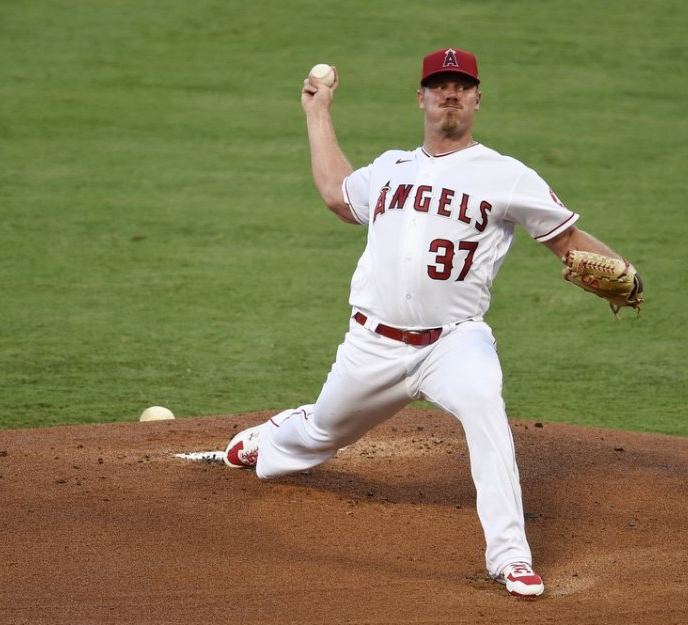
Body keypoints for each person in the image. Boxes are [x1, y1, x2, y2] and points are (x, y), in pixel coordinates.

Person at [224, 47, 636, 597]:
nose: (451, 95)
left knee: (485, 407)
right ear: (421, 98)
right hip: (373, 344)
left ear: (477, 100)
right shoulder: (391, 167)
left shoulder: (507, 175)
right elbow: (338, 196)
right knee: (320, 433)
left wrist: (627, 272)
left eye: (462, 86)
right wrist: (316, 111)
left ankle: (511, 557)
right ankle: (273, 438)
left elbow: (567, 241)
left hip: (454, 343)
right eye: (440, 86)